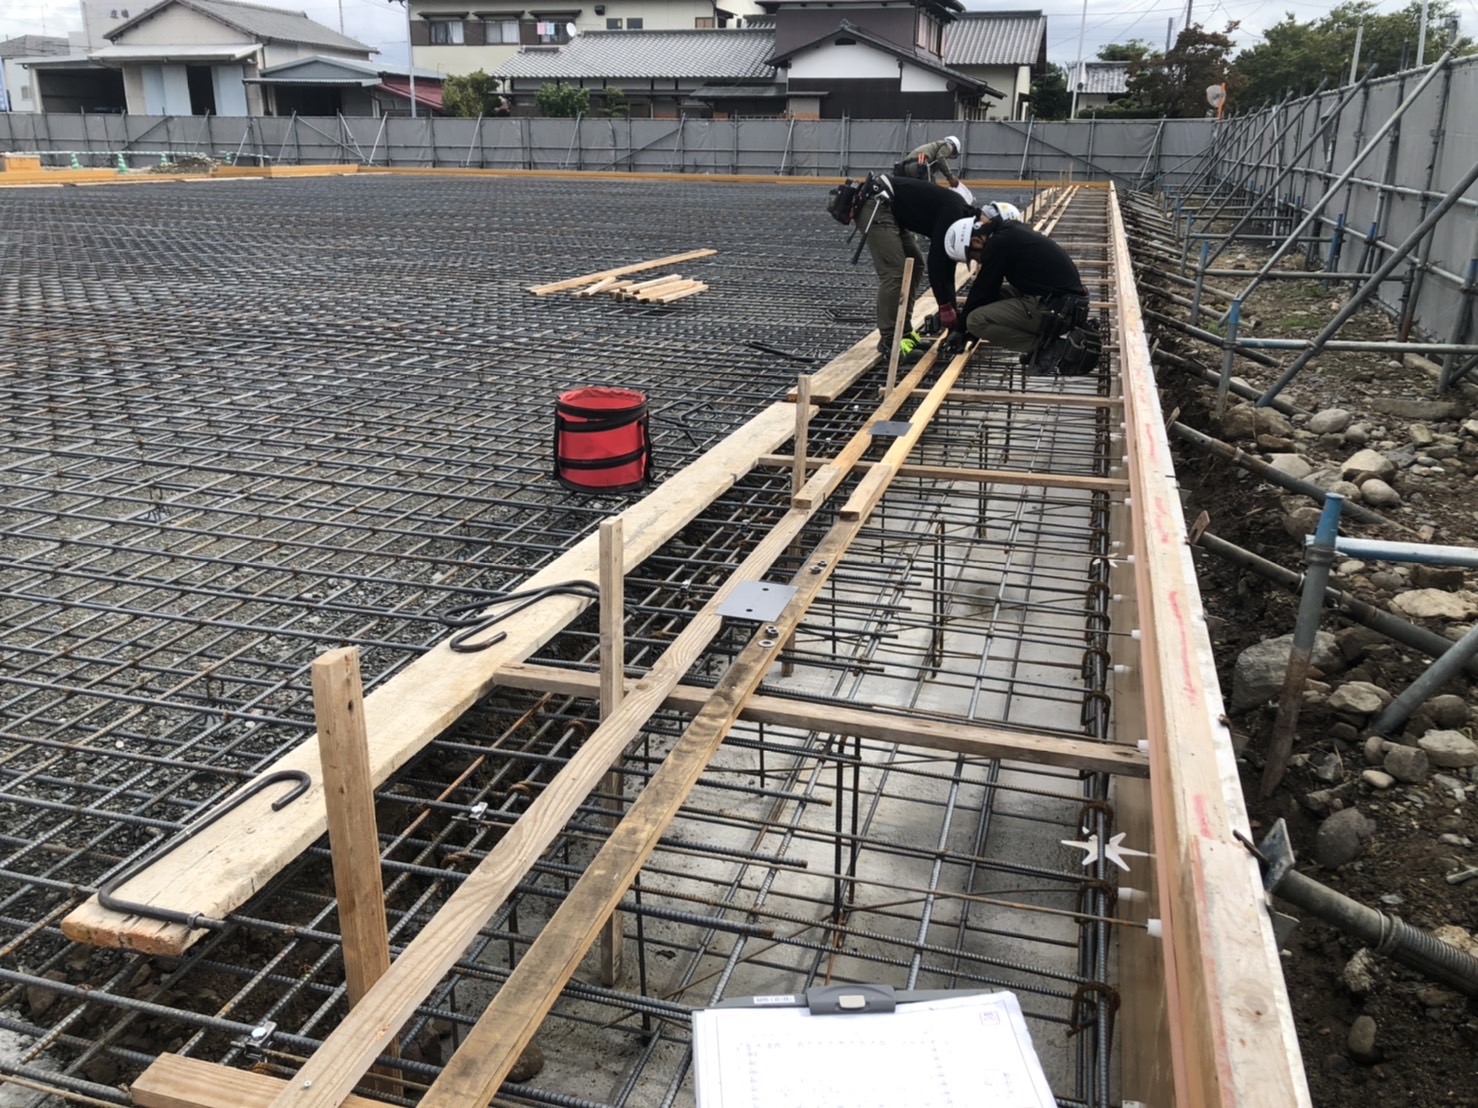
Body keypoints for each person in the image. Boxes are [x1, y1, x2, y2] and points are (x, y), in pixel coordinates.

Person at [940, 201, 1091, 366]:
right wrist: (968, 332)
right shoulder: (1008, 230)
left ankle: (1049, 348)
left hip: (1058, 312)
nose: (978, 261)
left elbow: (982, 288)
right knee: (994, 297)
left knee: (975, 321)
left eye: (974, 257)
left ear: (976, 242)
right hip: (1067, 305)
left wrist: (961, 329)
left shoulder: (998, 244)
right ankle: (1042, 341)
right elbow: (988, 293)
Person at [855, 173, 976, 363]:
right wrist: (946, 308)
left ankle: (904, 332)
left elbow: (946, 267)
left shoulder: (962, 217)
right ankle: (890, 341)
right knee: (896, 272)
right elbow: (938, 265)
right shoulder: (954, 217)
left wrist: (950, 311)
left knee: (915, 264)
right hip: (877, 204)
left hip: (894, 210)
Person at [895, 135, 962, 189]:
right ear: (954, 147)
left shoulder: (935, 146)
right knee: (933, 190)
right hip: (918, 167)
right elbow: (941, 158)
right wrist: (950, 177)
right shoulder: (948, 146)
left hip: (905, 167)